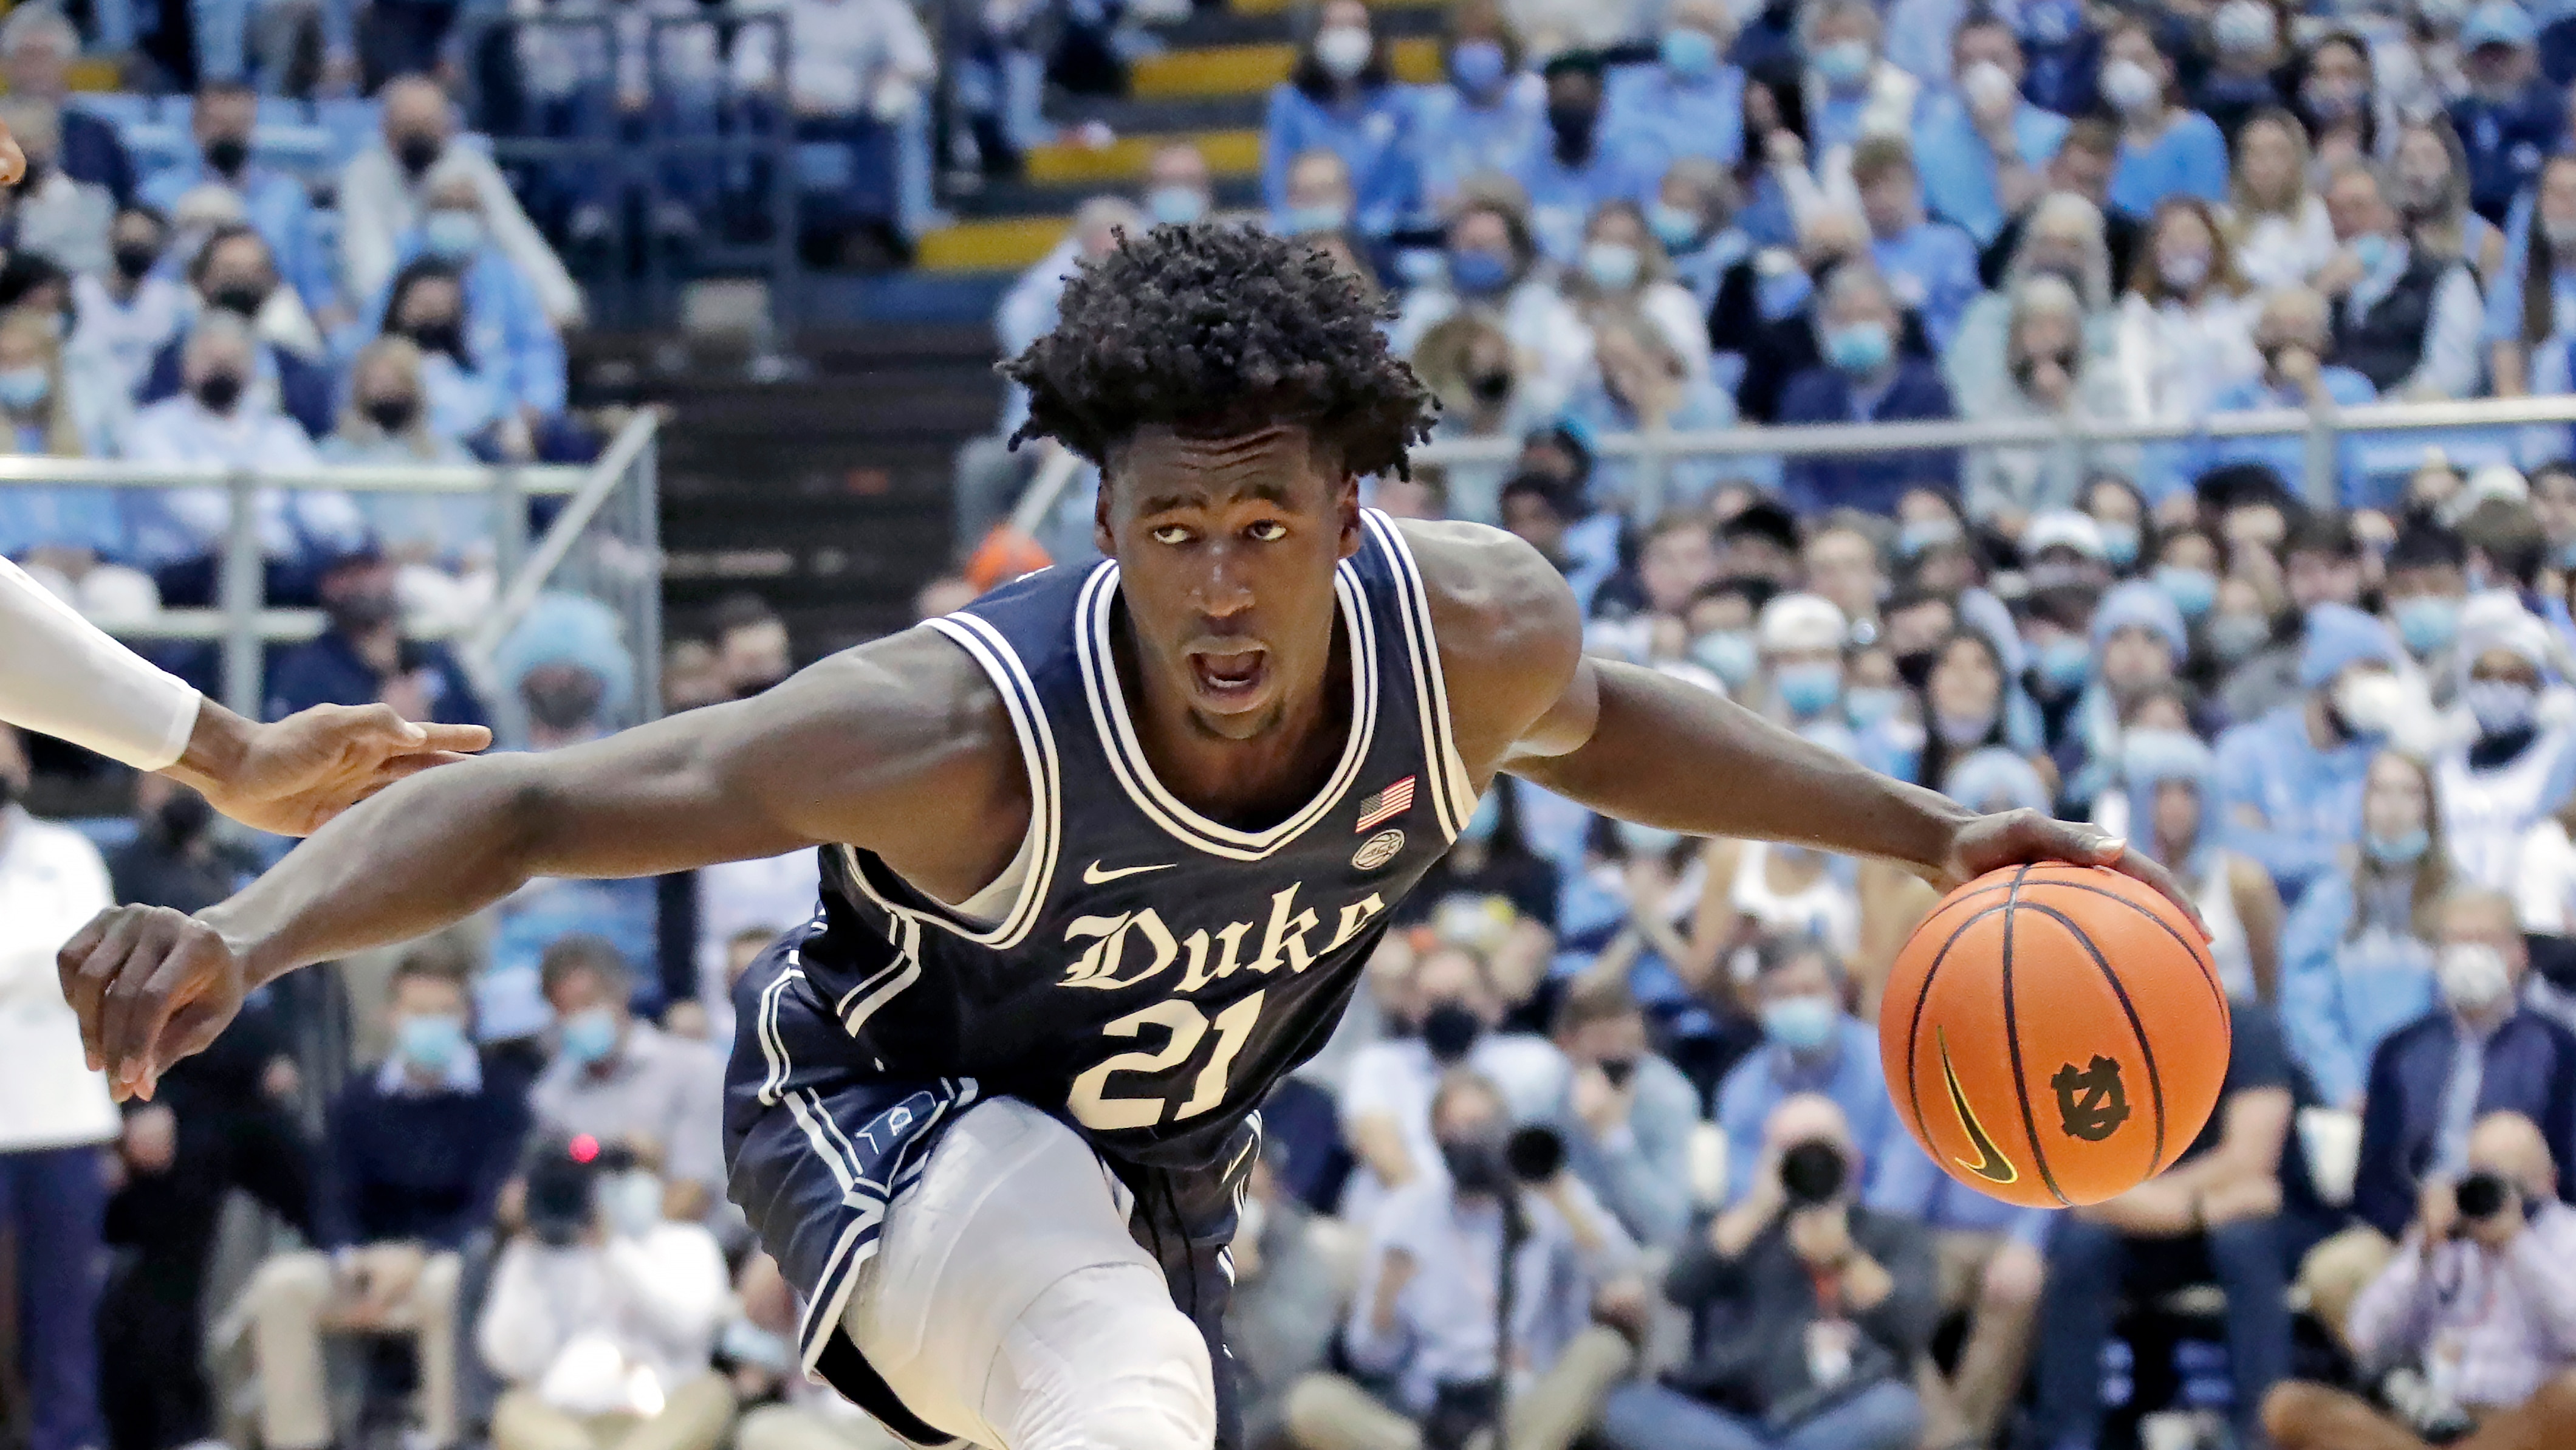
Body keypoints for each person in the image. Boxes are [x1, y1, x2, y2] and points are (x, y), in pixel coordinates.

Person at [58, 222, 2194, 1450]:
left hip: (1158, 1174)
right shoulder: (957, 733)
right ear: (1105, 524)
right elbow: (531, 803)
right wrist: (244, 928)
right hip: (881, 1104)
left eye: (1267, 525)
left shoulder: (1484, 633)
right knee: (1122, 1379)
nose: (1223, 586)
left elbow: (1617, 723)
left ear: (1352, 517)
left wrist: (1928, 834)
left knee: (1124, 1353)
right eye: (1174, 529)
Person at [231, 953, 528, 1450]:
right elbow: (332, 1196)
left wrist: (420, 1253)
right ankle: (299, 1440)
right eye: (419, 1011)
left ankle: (444, 1435)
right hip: (366, 1266)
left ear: (467, 1017)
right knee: (280, 1286)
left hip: (449, 1260)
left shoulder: (500, 1097)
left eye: (445, 1011)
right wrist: (351, 1258)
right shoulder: (358, 1099)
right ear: (391, 1016)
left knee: (449, 1285)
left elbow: (489, 1202)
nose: (431, 1024)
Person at [1290, 1070, 1639, 1450]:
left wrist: (1562, 1197)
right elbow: (1371, 1359)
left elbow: (1623, 1277)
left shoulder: (1544, 1199)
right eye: (1462, 1128)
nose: (1477, 1139)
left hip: (1528, 1399)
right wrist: (1385, 1299)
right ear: (1438, 1140)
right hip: (1434, 1411)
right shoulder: (1406, 1214)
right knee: (1311, 1402)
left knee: (1604, 1348)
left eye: (1487, 1124)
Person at [2030, 1000, 2305, 1450]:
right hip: (2177, 1218)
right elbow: (2082, 1184)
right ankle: (2067, 1436)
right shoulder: (2097, 1035)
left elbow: (2248, 1163)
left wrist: (2145, 1202)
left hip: (2254, 1224)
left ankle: (2264, 1434)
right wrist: (2197, 1211)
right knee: (2080, 1245)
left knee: (2242, 1241)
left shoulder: (2247, 1030)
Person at [1597, 1092, 1934, 1450]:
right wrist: (1758, 1207)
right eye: (1792, 1152)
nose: (1809, 1165)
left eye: (1821, 1151)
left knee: (1894, 1410)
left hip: (1839, 1406)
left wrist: (1845, 1258)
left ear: (1852, 1159)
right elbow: (1678, 1288)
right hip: (1728, 1407)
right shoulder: (1739, 1229)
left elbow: (1912, 1326)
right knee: (1628, 1406)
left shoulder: (1891, 1232)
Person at [2263, 1110, 2576, 1450]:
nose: (2491, 1196)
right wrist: (2422, 1251)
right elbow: (2365, 1335)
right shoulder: (2449, 1238)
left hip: (2520, 1425)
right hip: (2432, 1424)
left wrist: (2516, 1244)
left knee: (2570, 1396)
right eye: (2481, 1180)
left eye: (2507, 1183)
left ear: (2549, 1180)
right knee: (2287, 1405)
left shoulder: (2565, 1237)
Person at [0, 723, 114, 1450]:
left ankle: (67, 1439)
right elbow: (48, 958)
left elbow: (89, 959)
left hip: (62, 1120)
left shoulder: (68, 853)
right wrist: (33, 966)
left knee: (64, 1313)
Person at [478, 1138, 736, 1450]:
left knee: (713, 1392)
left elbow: (690, 1328)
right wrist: (527, 1253)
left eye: (617, 1174)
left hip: (666, 1419)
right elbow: (510, 1359)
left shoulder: (688, 1242)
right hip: (566, 1423)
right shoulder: (534, 1254)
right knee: (512, 1407)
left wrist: (613, 1250)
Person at [2281, 749, 2452, 1111]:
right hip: (2345, 1098)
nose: (2393, 807)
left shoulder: (2457, 900)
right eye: (2381, 791)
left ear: (2431, 808)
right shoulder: (2328, 900)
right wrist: (2343, 1087)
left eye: (2410, 793)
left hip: (2435, 1094)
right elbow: (2308, 1006)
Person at [340, 75, 582, 329]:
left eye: (427, 125)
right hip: (396, 320)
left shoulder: (471, 168)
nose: (419, 136)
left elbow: (516, 238)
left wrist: (560, 302)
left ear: (448, 128)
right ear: (387, 129)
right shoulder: (364, 174)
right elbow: (366, 262)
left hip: (477, 315)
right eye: (409, 125)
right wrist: (404, 311)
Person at [2218, 602, 2408, 899]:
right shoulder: (2246, 753)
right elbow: (2233, 847)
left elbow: (2393, 854)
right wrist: (2333, 858)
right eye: (2366, 669)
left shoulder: (2387, 759)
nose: (2378, 685)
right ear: (2328, 676)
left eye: (2384, 671)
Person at [527, 940, 727, 1220]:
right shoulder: (550, 1093)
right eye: (564, 1009)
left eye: (588, 1003)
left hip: (684, 1238)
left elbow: (698, 1188)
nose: (577, 1018)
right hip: (587, 1240)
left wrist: (650, 1159)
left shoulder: (694, 1067)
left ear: (621, 994)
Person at [1714, 935, 1895, 1203]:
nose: (1798, 1003)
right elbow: (1742, 1199)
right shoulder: (1742, 1089)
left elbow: (1900, 1200)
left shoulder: (1888, 1073)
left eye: (1810, 991)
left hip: (1879, 1234)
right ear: (1759, 1002)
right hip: (1777, 1236)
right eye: (1782, 994)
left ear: (1839, 992)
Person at [139, 79, 335, 320]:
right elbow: (148, 280)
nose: (230, 134)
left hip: (268, 316)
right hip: (183, 315)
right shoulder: (160, 194)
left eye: (239, 124)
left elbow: (313, 286)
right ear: (196, 126)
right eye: (219, 125)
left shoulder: (285, 196)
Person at [1775, 264, 1958, 516]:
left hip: (1900, 518)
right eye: (1843, 319)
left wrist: (1863, 514)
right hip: (1823, 525)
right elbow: (1798, 476)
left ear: (1895, 322)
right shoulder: (1805, 392)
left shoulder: (1928, 389)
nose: (1856, 327)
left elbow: (1932, 475)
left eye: (1867, 316)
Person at [1962, 273, 2141, 531]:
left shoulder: (2104, 384)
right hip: (2012, 521)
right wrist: (2000, 514)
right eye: (2035, 326)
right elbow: (1980, 479)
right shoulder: (1996, 393)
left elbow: (2118, 464)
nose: (2047, 338)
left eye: (2056, 326)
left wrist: (2067, 406)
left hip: (2085, 513)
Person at [2126, 727, 2287, 1002]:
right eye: (2161, 792)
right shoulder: (2122, 883)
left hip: (2233, 1025)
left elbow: (2269, 981)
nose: (2174, 805)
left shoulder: (2244, 881)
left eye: (2188, 792)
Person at [2187, 287, 2383, 507]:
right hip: (2241, 508)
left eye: (2300, 326)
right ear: (2257, 338)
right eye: (2276, 326)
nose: (2287, 335)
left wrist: (2311, 389)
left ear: (2323, 340)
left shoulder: (2351, 388)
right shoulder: (2229, 397)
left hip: (2322, 514)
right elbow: (2189, 459)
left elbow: (2361, 470)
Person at [1540, 978, 1697, 1249]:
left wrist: (1613, 1137)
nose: (1616, 1054)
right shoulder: (1548, 1096)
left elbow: (1668, 1226)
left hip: (1646, 1253)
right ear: (1568, 1044)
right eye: (1602, 1041)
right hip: (1569, 1242)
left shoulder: (1669, 1097)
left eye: (1627, 1041)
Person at [265, 541, 488, 730]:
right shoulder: (306, 673)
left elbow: (481, 735)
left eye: (369, 568)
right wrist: (382, 727)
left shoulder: (434, 655)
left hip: (443, 778)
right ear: (325, 584)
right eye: (345, 573)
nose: (362, 582)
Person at [2111, 197, 2262, 475]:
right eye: (2171, 238)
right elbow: (2133, 388)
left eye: (2191, 234)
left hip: (2236, 446)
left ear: (2214, 244)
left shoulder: (2245, 310)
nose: (2182, 246)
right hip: (2165, 447)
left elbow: (2253, 378)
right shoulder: (2139, 315)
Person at [2318, 162, 2485, 399]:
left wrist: (2384, 409)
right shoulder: (2319, 283)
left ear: (2392, 212)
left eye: (2360, 207)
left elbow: (2453, 373)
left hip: (2411, 422)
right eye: (2335, 210)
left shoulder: (2446, 276)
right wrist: (2319, 292)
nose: (2347, 219)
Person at [2440, 607, 2576, 892]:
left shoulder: (2562, 757)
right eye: (2485, 678)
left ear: (2537, 686)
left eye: (2512, 678)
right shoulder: (2444, 766)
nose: (2497, 690)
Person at [1262, 0, 1419, 239]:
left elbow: (1407, 186)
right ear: (1316, 37)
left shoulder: (1399, 105)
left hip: (1382, 244)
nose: (1345, 35)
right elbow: (1277, 185)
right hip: (1305, 237)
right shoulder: (1288, 104)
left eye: (1356, 26)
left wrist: (1368, 229)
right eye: (1335, 26)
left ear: (1373, 38)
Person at [1911, 16, 2067, 248]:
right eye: (1970, 63)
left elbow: (2027, 215)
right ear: (1954, 71)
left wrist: (2001, 135)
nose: (1985, 72)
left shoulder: (2057, 135)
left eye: (1997, 60)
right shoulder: (1922, 142)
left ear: (2019, 63)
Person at [1513, 51, 1666, 263]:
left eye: (1578, 101)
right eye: (1563, 101)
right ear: (1547, 103)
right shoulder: (1518, 169)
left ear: (1600, 102)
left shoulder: (1635, 169)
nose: (1571, 110)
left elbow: (1649, 239)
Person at [1851, 137, 1982, 351]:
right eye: (1869, 188)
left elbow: (1965, 315)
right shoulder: (1854, 255)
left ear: (1913, 184)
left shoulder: (1951, 245)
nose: (1881, 197)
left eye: (1890, 184)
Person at [1414, 0, 1542, 211]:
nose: (1478, 50)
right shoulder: (1434, 108)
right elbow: (1435, 190)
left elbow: (1537, 181)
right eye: (1468, 41)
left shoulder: (1533, 98)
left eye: (1487, 39)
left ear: (1506, 45)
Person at [2098, 16, 2230, 217]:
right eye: (2114, 60)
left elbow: (2206, 213)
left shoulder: (2198, 135)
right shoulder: (2100, 138)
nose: (2126, 71)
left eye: (2139, 60)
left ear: (2166, 68)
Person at [2448, 1, 2564, 223]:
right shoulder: (2453, 119)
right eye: (2483, 54)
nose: (2492, 64)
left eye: (2503, 53)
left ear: (2529, 57)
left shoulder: (2552, 116)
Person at [1601, 0, 1746, 172]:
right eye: (1683, 22)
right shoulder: (1620, 82)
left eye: (1704, 28)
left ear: (1727, 42)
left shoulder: (1742, 93)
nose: (1690, 35)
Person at [70, 204, 188, 400]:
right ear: (110, 239)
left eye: (143, 242)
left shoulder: (173, 301)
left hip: (150, 403)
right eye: (128, 240)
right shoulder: (79, 295)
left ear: (160, 246)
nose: (135, 247)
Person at [2488, 152, 2576, 397]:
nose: (2568, 206)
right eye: (2557, 195)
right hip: (2540, 427)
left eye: (2575, 194)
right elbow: (2507, 387)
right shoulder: (2512, 288)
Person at [2227, 108, 2337, 292]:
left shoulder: (2314, 214)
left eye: (2276, 152)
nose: (2264, 163)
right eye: (2254, 152)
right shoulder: (2225, 221)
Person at [0, 7, 97, 199]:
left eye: (46, 55)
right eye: (27, 54)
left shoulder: (96, 134)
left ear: (67, 62)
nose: (36, 66)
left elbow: (126, 203)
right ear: (6, 63)